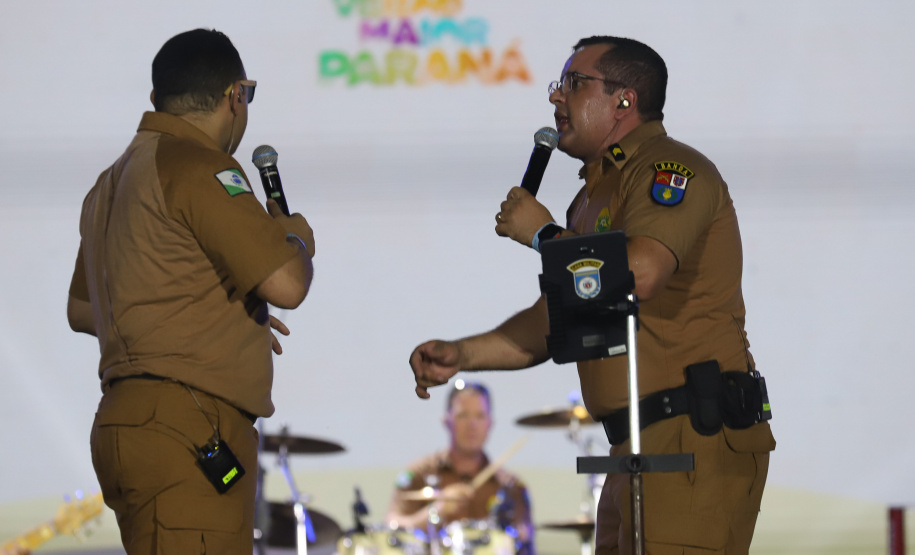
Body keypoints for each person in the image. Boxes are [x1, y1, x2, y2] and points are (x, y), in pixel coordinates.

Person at [409, 36, 776, 555]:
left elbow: (643, 270)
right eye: (559, 85)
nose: (556, 98)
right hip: (634, 446)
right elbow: (556, 320)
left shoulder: (669, 170)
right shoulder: (592, 196)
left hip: (690, 437)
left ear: (624, 100)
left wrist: (544, 236)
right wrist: (462, 354)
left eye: (573, 84)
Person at [66, 29, 315, 554]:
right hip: (188, 429)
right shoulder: (201, 167)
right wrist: (293, 237)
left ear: (157, 100)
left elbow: (84, 309)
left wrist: (209, 310)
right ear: (235, 96)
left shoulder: (109, 182)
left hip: (127, 422)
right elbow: (288, 285)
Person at [387, 381, 534, 554]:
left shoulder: (510, 486)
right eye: (463, 415)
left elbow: (526, 543)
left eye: (479, 416)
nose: (472, 424)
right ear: (446, 421)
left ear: (490, 424)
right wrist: (437, 511)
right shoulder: (418, 474)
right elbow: (391, 526)